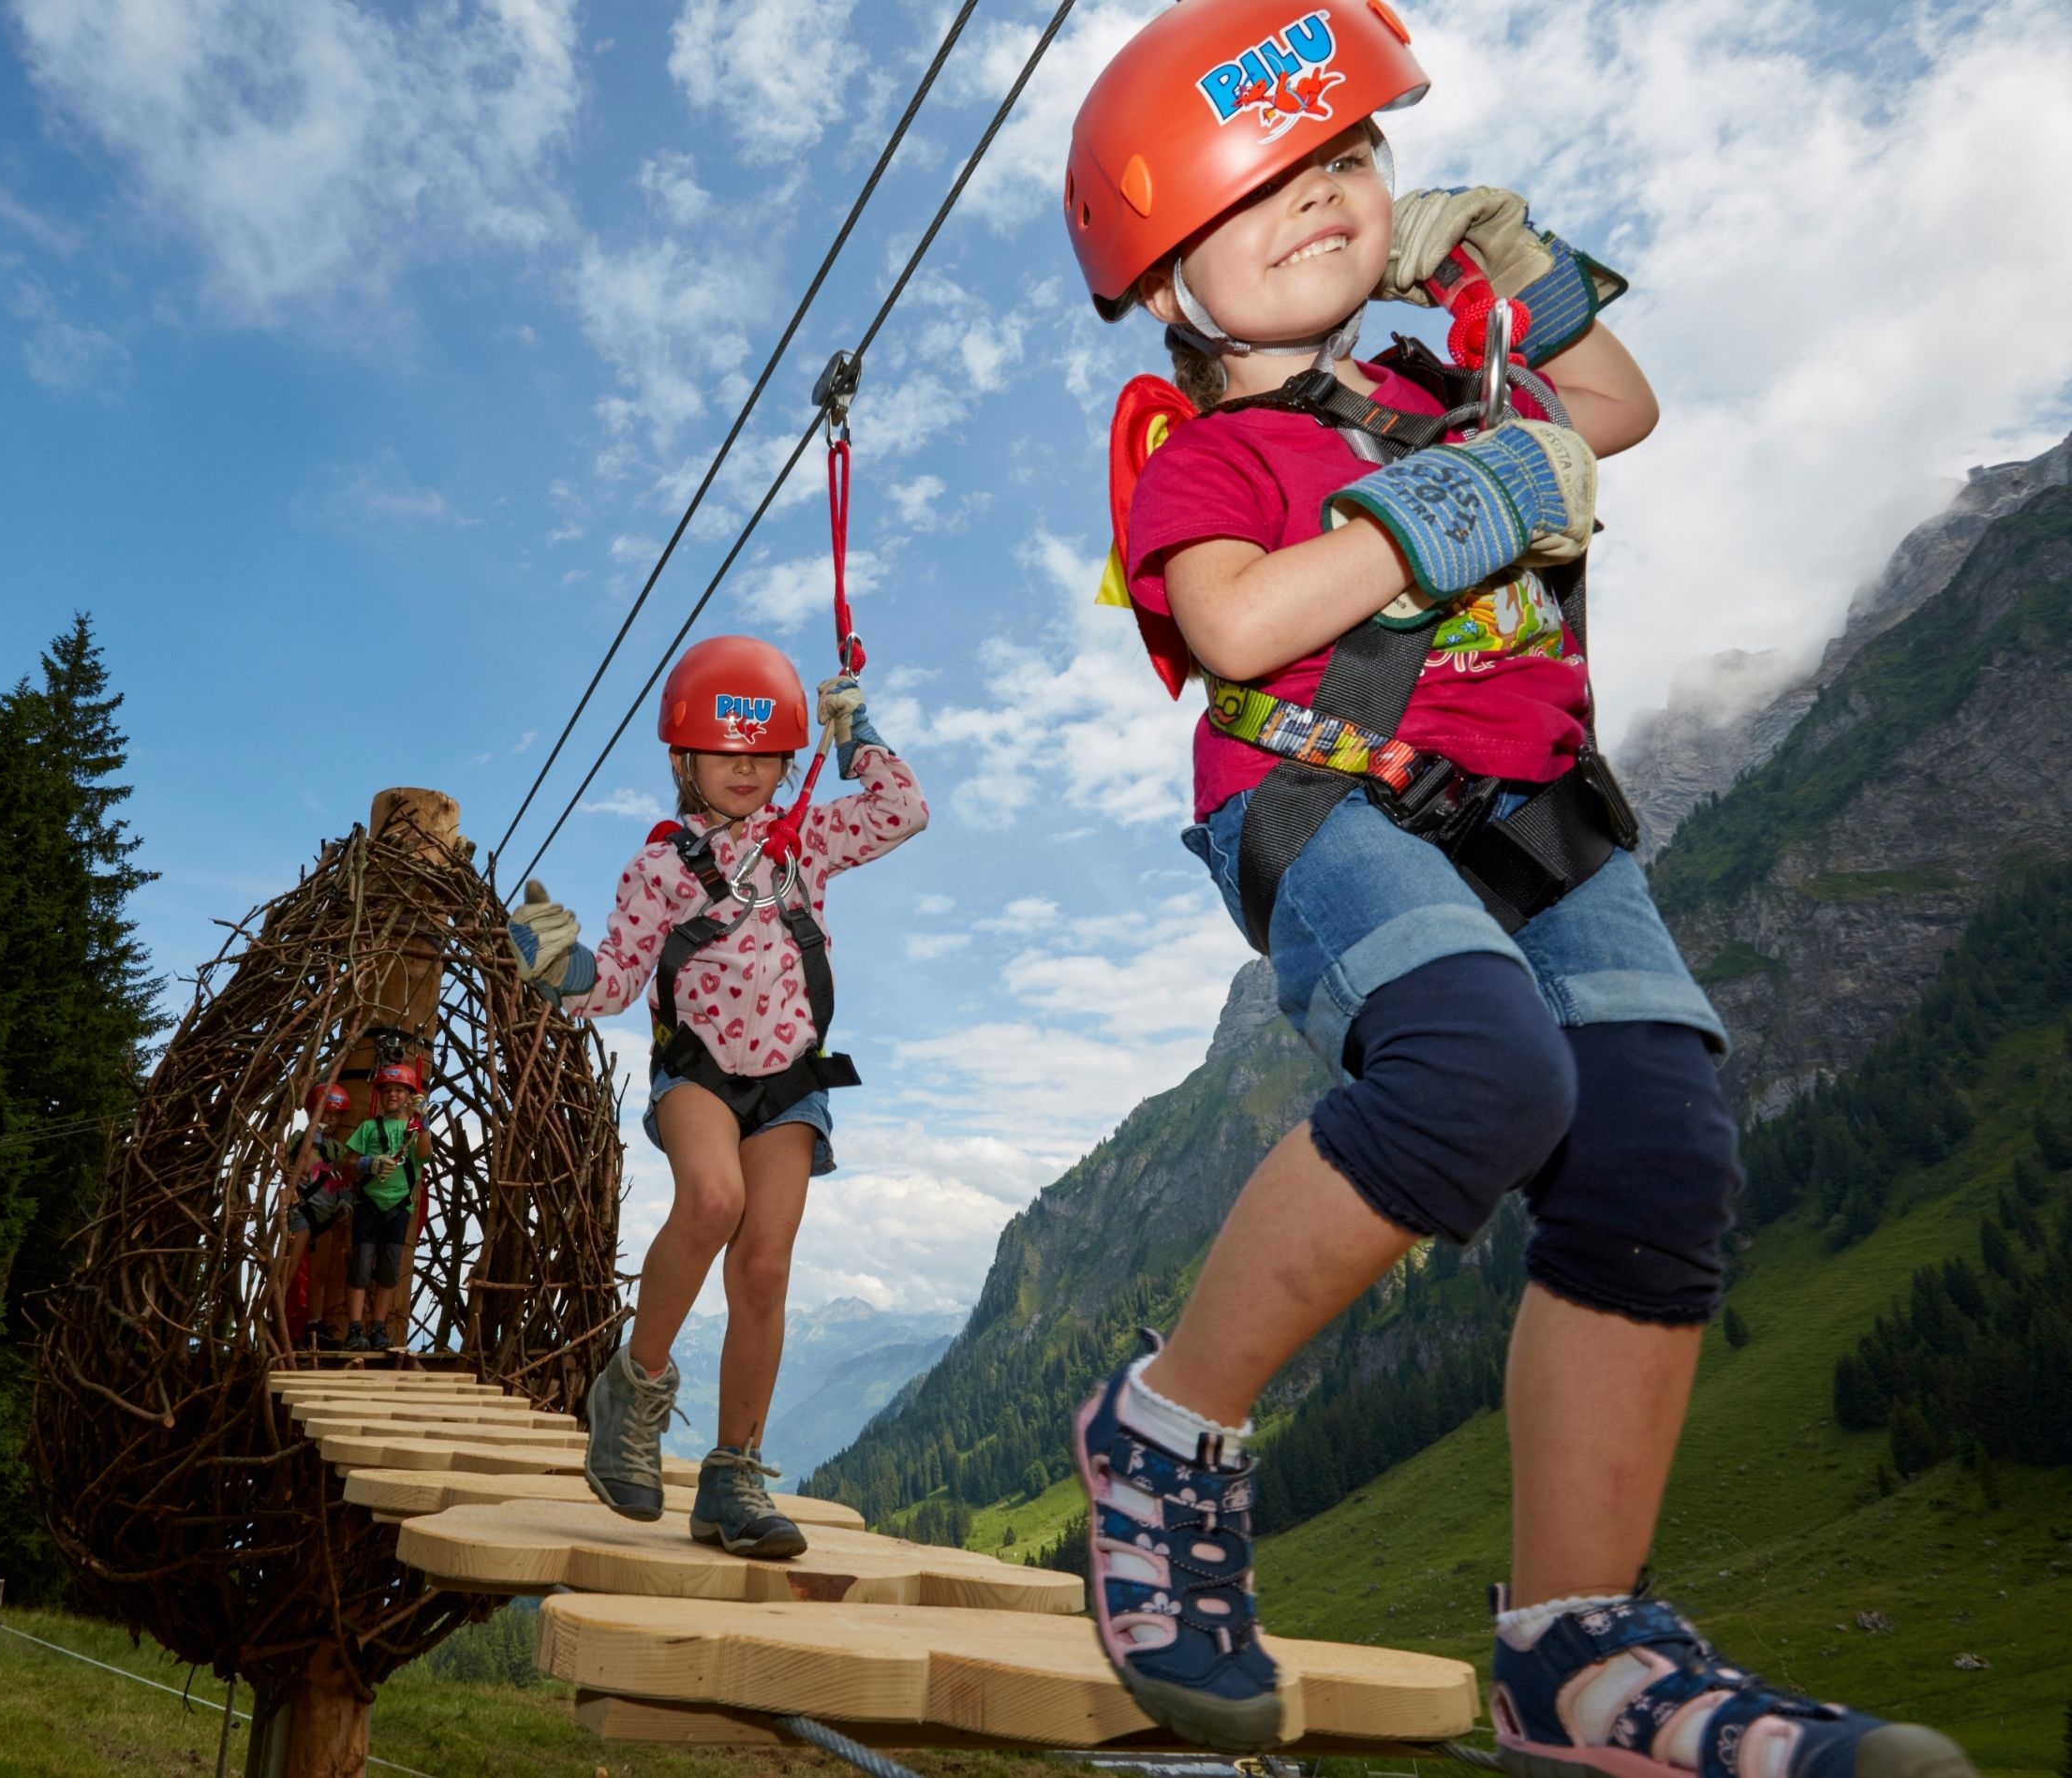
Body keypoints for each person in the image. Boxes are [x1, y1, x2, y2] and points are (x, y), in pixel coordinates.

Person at [1053, 6, 1974, 1777]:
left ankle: (1577, 1647)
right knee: (1477, 1071)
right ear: (1167, 279)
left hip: (1539, 811)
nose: (1325, 194)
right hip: (1328, 792)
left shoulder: (1439, 382)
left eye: (1347, 157)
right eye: (1265, 185)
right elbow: (1233, 622)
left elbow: (1617, 408)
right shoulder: (1208, 457)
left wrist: (1517, 271)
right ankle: (1164, 1426)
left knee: (1658, 1141)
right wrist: (1442, 513)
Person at [506, 636, 925, 1558]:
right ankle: (631, 1393)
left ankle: (732, 1476)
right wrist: (557, 967)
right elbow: (614, 981)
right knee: (711, 1199)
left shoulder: (807, 839)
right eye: (724, 752)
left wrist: (858, 738)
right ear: (682, 760)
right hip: (695, 1068)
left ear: (787, 758)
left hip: (790, 1079)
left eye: (765, 752)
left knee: (764, 1267)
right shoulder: (658, 869)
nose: (746, 770)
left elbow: (903, 812)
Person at [340, 1062, 429, 1353]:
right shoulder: (368, 1127)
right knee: (361, 1265)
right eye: (387, 1090)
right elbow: (348, 1162)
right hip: (368, 1203)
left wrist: (424, 1124)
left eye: (399, 1091)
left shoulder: (413, 1129)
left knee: (389, 1270)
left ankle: (378, 1327)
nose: (392, 1095)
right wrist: (368, 1163)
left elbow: (424, 1155)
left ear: (409, 1097)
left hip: (398, 1207)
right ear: (380, 1095)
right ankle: (355, 1329)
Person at [277, 1082, 352, 1350]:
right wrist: (314, 1133)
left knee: (319, 1275)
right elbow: (302, 1160)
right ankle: (276, 1322)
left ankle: (314, 1326)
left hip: (326, 1215)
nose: (330, 1120)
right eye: (325, 1113)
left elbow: (341, 1176)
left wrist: (344, 1200)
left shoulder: (337, 1149)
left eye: (335, 1115)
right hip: (303, 1209)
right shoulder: (301, 1139)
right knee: (288, 1270)